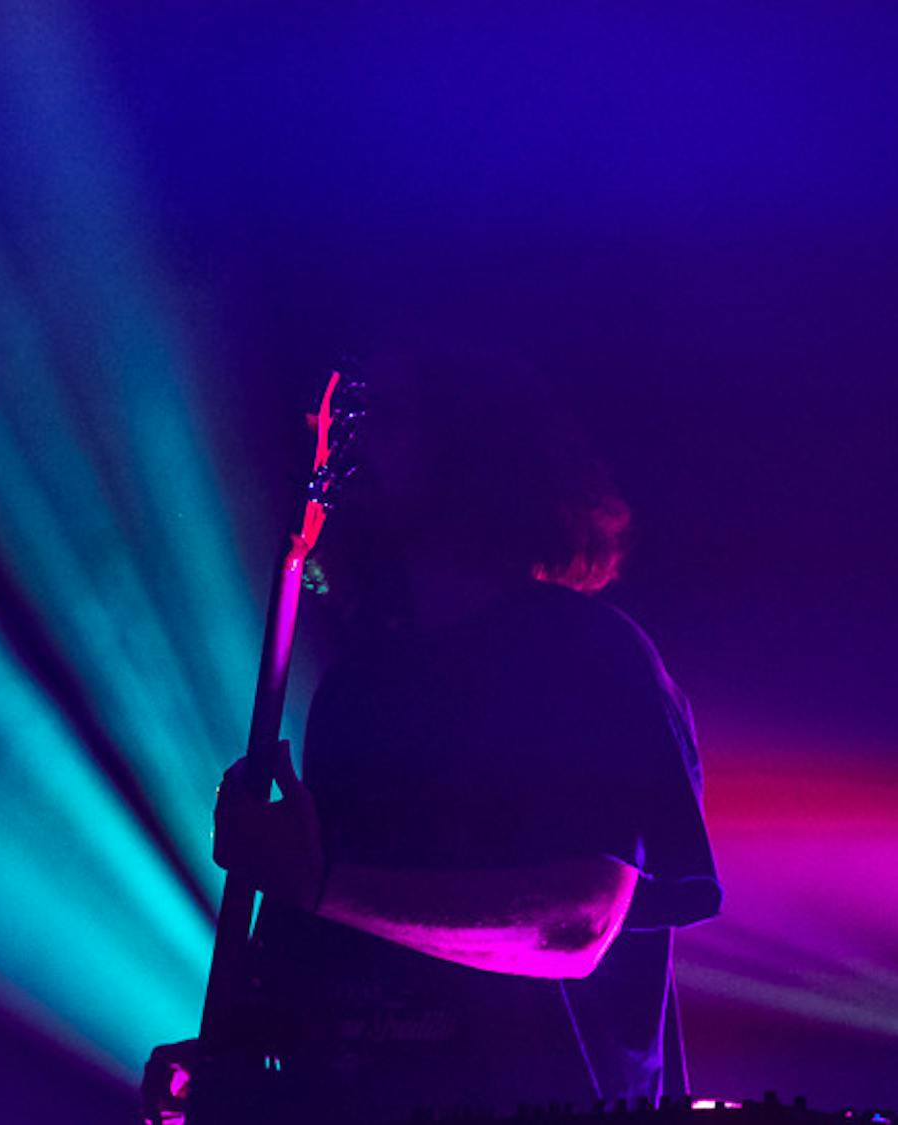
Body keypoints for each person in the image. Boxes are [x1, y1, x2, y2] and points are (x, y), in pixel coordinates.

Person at [147, 355, 721, 1123]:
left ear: (473, 444)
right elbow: (327, 961)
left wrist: (318, 882)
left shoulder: (587, 654)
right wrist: (241, 1060)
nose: (354, 448)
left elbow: (576, 923)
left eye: (391, 417)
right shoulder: (358, 687)